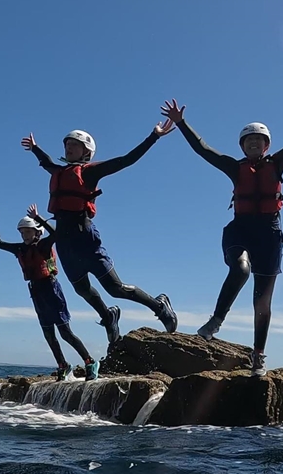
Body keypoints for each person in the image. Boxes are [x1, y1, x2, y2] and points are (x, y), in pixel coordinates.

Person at [160, 79, 283, 376]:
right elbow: (203, 149)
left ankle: (258, 355)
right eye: (249, 141)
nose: (254, 144)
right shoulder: (235, 168)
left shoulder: (278, 163)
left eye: (259, 140)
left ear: (267, 145)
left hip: (269, 233)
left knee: (262, 301)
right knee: (240, 269)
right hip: (240, 229)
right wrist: (181, 123)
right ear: (242, 147)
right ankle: (216, 321)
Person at [21, 122, 178, 344]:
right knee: (83, 290)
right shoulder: (59, 171)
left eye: (74, 145)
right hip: (64, 243)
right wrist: (35, 148)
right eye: (67, 144)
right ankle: (109, 317)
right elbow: (46, 162)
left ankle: (159, 306)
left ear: (86, 151)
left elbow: (126, 160)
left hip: (85, 238)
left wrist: (154, 136)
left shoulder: (90, 172)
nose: (68, 148)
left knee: (115, 288)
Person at [0, 203, 100, 381]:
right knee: (49, 334)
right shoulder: (19, 249)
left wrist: (39, 218)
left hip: (51, 289)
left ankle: (90, 362)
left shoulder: (44, 245)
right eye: (22, 232)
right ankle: (63, 365)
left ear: (36, 232)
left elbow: (56, 234)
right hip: (36, 292)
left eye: (27, 231)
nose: (24, 235)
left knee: (65, 332)